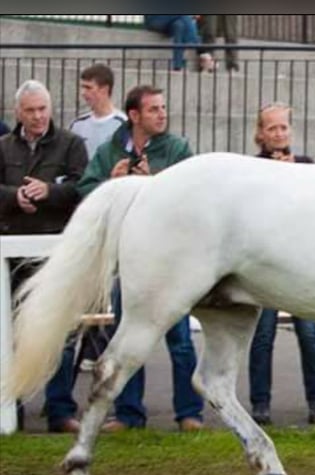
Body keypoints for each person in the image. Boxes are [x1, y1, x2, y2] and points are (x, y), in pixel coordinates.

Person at [77, 85, 204, 432]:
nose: (162, 114)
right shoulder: (110, 150)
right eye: (153, 109)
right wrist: (112, 182)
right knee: (127, 334)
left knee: (179, 340)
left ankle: (189, 413)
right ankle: (129, 414)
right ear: (134, 115)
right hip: (130, 260)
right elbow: (86, 191)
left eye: (163, 108)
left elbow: (191, 199)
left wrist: (152, 184)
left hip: (171, 262)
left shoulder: (177, 149)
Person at [0, 79, 88, 433]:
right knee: (11, 333)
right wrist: (13, 197)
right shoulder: (3, 147)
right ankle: (12, 408)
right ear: (17, 113)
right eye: (31, 111)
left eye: (42, 109)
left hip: (55, 249)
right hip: (11, 251)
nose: (37, 117)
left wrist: (49, 191)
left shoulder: (72, 144)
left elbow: (83, 188)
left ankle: (60, 409)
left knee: (61, 333)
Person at [248, 102, 315, 426]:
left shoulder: (306, 165)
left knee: (309, 333)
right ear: (261, 134)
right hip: (265, 263)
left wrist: (296, 174)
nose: (279, 134)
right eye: (272, 128)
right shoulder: (251, 168)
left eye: (283, 127)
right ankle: (260, 403)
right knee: (263, 335)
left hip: (300, 263)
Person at [69, 63, 127, 372]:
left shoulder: (121, 124)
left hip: (113, 213)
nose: (84, 94)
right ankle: (87, 346)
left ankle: (98, 347)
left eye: (88, 88)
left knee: (111, 284)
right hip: (89, 210)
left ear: (104, 89)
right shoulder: (78, 126)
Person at [143, 15, 213, 72]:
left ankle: (178, 67)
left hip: (171, 22)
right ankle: (201, 51)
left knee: (179, 25)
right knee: (184, 17)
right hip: (154, 20)